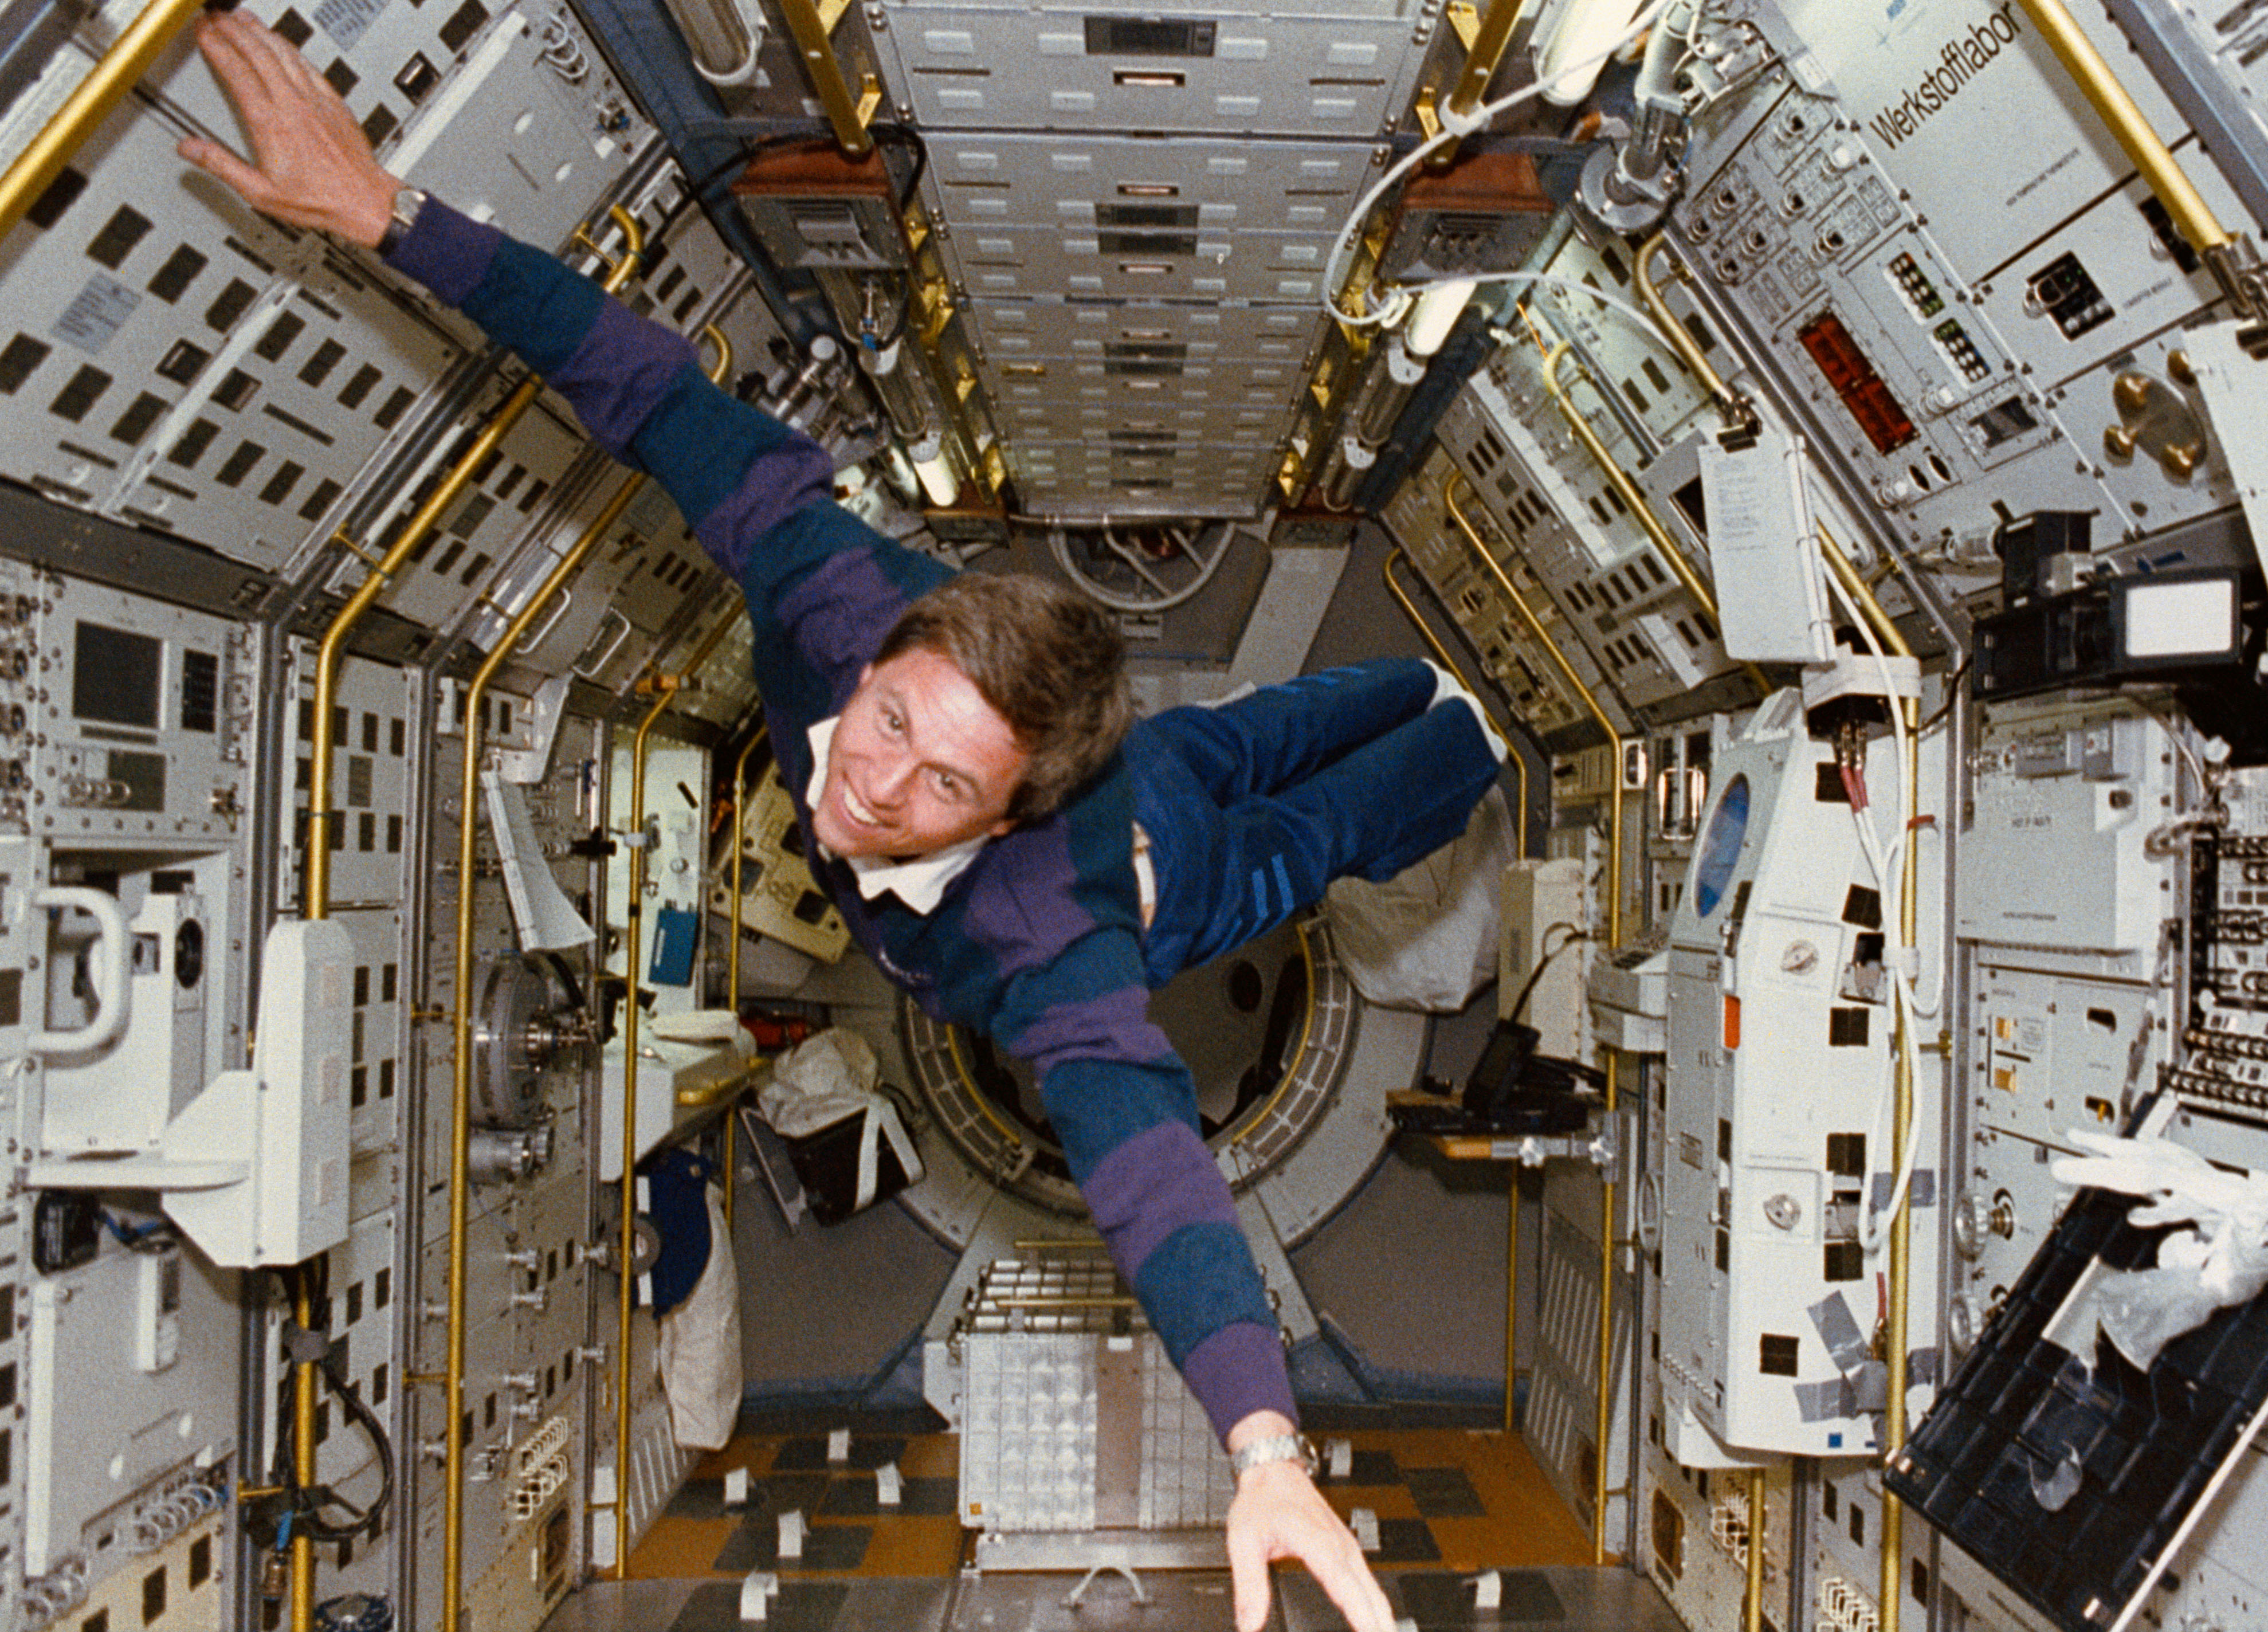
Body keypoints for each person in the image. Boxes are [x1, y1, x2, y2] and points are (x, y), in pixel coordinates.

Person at [179, 13, 1505, 1629]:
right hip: (1146, 762)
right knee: (1254, 729)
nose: (872, 781)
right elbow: (648, 390)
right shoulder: (834, 598)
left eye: (943, 784)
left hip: (1167, 869)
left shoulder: (1059, 951)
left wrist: (1266, 1441)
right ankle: (1410, 691)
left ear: (1017, 798)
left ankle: (1470, 745)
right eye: (893, 721)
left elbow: (1161, 1181)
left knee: (1317, 830)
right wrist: (397, 218)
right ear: (887, 651)